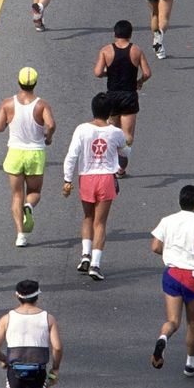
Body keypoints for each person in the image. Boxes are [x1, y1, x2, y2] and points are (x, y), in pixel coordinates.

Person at [61, 92, 130, 280]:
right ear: (109, 112)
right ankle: (96, 264)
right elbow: (125, 151)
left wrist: (67, 180)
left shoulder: (82, 129)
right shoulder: (115, 132)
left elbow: (72, 155)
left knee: (87, 218)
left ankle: (85, 255)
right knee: (101, 223)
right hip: (106, 178)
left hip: (86, 178)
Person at [148, 184, 194, 377]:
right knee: (192, 322)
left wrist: (168, 252)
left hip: (172, 274)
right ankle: (191, 362)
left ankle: (163, 338)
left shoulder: (167, 220)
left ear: (180, 201)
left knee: (173, 321)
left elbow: (155, 247)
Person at [0, 67, 55, 248]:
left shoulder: (7, 103)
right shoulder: (41, 104)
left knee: (16, 195)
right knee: (34, 192)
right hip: (35, 152)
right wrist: (48, 137)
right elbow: (50, 124)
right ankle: (29, 206)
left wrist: (7, 120)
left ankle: (20, 235)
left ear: (19, 82)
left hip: (15, 153)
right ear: (35, 83)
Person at [93, 20, 150, 150]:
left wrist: (108, 73)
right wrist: (139, 81)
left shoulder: (106, 50)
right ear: (130, 35)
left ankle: (112, 158)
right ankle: (122, 164)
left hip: (112, 96)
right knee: (127, 135)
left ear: (115, 34)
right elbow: (147, 73)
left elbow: (97, 72)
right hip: (129, 95)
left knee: (111, 132)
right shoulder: (136, 50)